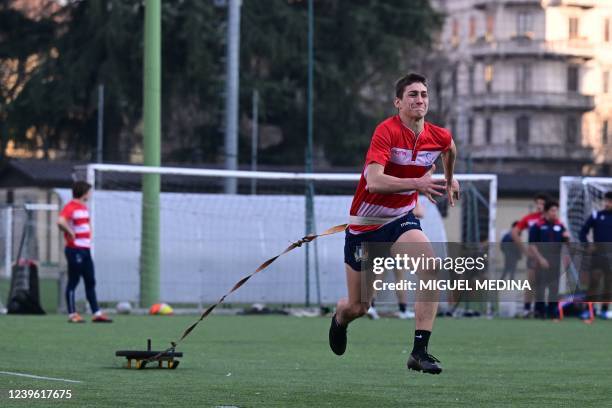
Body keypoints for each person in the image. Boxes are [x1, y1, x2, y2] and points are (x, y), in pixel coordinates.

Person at [328, 73, 460, 374]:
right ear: (398, 102)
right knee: (359, 306)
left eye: (424, 94)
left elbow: (450, 148)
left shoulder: (437, 135)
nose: (420, 99)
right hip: (365, 228)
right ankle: (340, 316)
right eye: (412, 94)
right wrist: (419, 182)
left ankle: (419, 351)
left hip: (400, 221)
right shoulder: (386, 132)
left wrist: (450, 179)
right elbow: (374, 182)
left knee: (430, 265)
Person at [57, 181, 112, 323]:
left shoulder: (83, 207)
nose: (90, 194)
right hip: (75, 250)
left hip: (85, 250)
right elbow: (60, 222)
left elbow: (86, 224)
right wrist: (70, 232)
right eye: (89, 191)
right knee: (73, 281)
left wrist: (90, 234)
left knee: (90, 281)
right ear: (83, 192)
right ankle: (72, 314)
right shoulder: (70, 207)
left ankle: (96, 313)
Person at [528, 201, 569, 320]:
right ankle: (539, 312)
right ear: (546, 212)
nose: (555, 213)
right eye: (552, 210)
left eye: (556, 210)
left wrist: (567, 238)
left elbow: (566, 245)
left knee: (554, 287)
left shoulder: (560, 226)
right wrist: (540, 259)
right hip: (541, 260)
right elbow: (532, 245)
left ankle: (553, 312)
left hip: (555, 261)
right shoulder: (538, 226)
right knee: (540, 288)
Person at [511, 193, 549, 317]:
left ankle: (541, 309)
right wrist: (524, 250)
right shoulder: (530, 218)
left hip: (547, 255)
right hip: (533, 256)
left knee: (544, 283)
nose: (539, 206)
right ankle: (527, 309)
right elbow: (515, 232)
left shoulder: (551, 219)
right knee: (531, 282)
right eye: (537, 203)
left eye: (542, 203)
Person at [579, 191, 612, 319]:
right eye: (607, 201)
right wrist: (587, 245)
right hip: (598, 254)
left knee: (609, 283)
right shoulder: (596, 215)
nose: (608, 203)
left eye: (610, 201)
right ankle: (589, 309)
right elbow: (583, 232)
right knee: (594, 281)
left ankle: (605, 310)